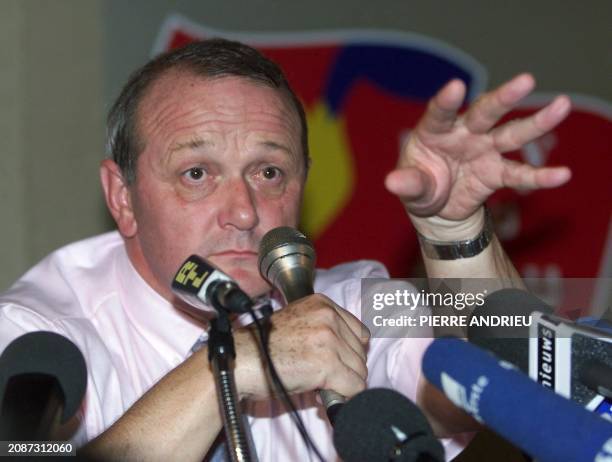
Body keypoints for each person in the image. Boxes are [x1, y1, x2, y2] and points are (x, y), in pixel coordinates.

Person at [0, 39, 571, 461]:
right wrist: (231, 364)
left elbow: (510, 377)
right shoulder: (39, 337)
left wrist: (455, 230)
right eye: (197, 173)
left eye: (270, 172)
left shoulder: (345, 302)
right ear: (122, 198)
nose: (245, 211)